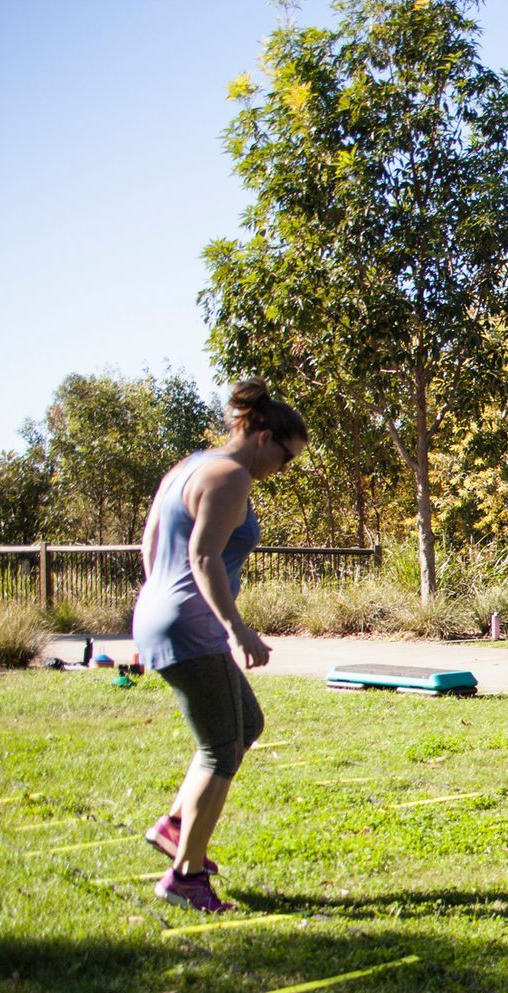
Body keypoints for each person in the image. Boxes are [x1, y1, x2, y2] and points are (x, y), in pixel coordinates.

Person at [131, 378, 307, 912]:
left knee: (245, 725)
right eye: (286, 457)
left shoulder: (189, 466)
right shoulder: (230, 475)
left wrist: (164, 602)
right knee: (221, 747)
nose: (283, 470)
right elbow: (204, 558)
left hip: (161, 611)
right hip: (193, 622)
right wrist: (234, 627)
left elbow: (151, 543)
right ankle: (185, 876)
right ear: (263, 437)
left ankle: (177, 822)